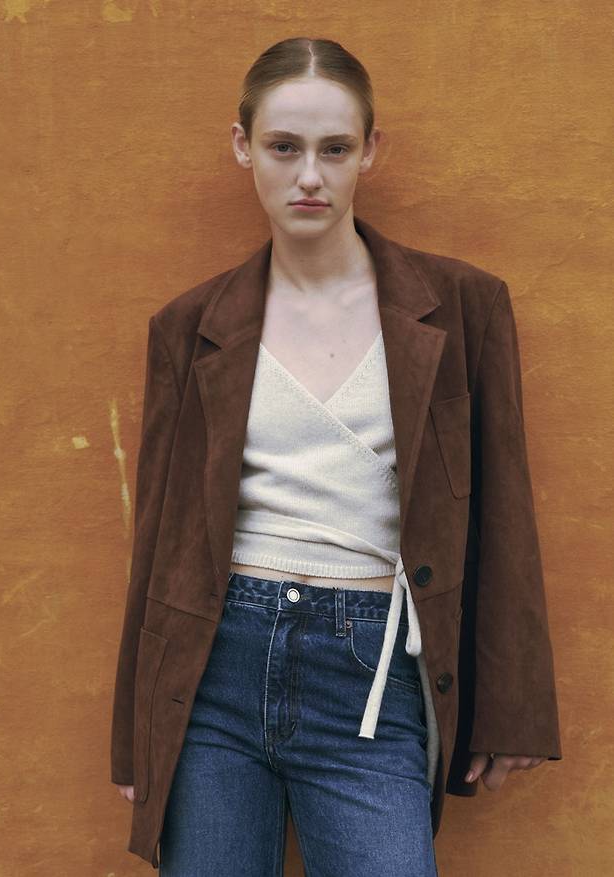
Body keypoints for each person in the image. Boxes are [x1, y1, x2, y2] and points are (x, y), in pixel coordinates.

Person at [111, 36, 562, 875]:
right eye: (284, 147)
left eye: (335, 149)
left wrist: (514, 704)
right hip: (215, 667)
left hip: (373, 667)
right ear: (243, 146)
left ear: (370, 150)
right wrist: (139, 732)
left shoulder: (462, 307)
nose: (309, 176)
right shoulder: (191, 325)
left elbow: (504, 509)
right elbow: (162, 537)